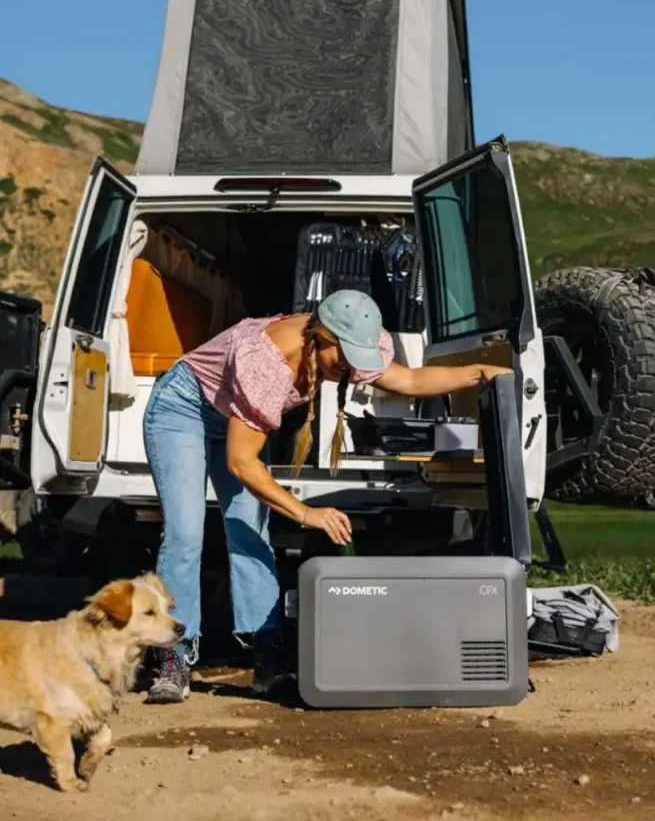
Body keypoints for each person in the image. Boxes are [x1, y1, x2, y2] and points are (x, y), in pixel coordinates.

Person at [142, 289, 512, 704]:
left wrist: (481, 372)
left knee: (248, 531)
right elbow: (241, 463)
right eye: (345, 358)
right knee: (186, 535)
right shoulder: (267, 361)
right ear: (323, 337)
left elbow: (407, 380)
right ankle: (173, 657)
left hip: (234, 415)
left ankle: (268, 658)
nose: (351, 370)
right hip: (183, 411)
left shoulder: (350, 343)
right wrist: (306, 514)